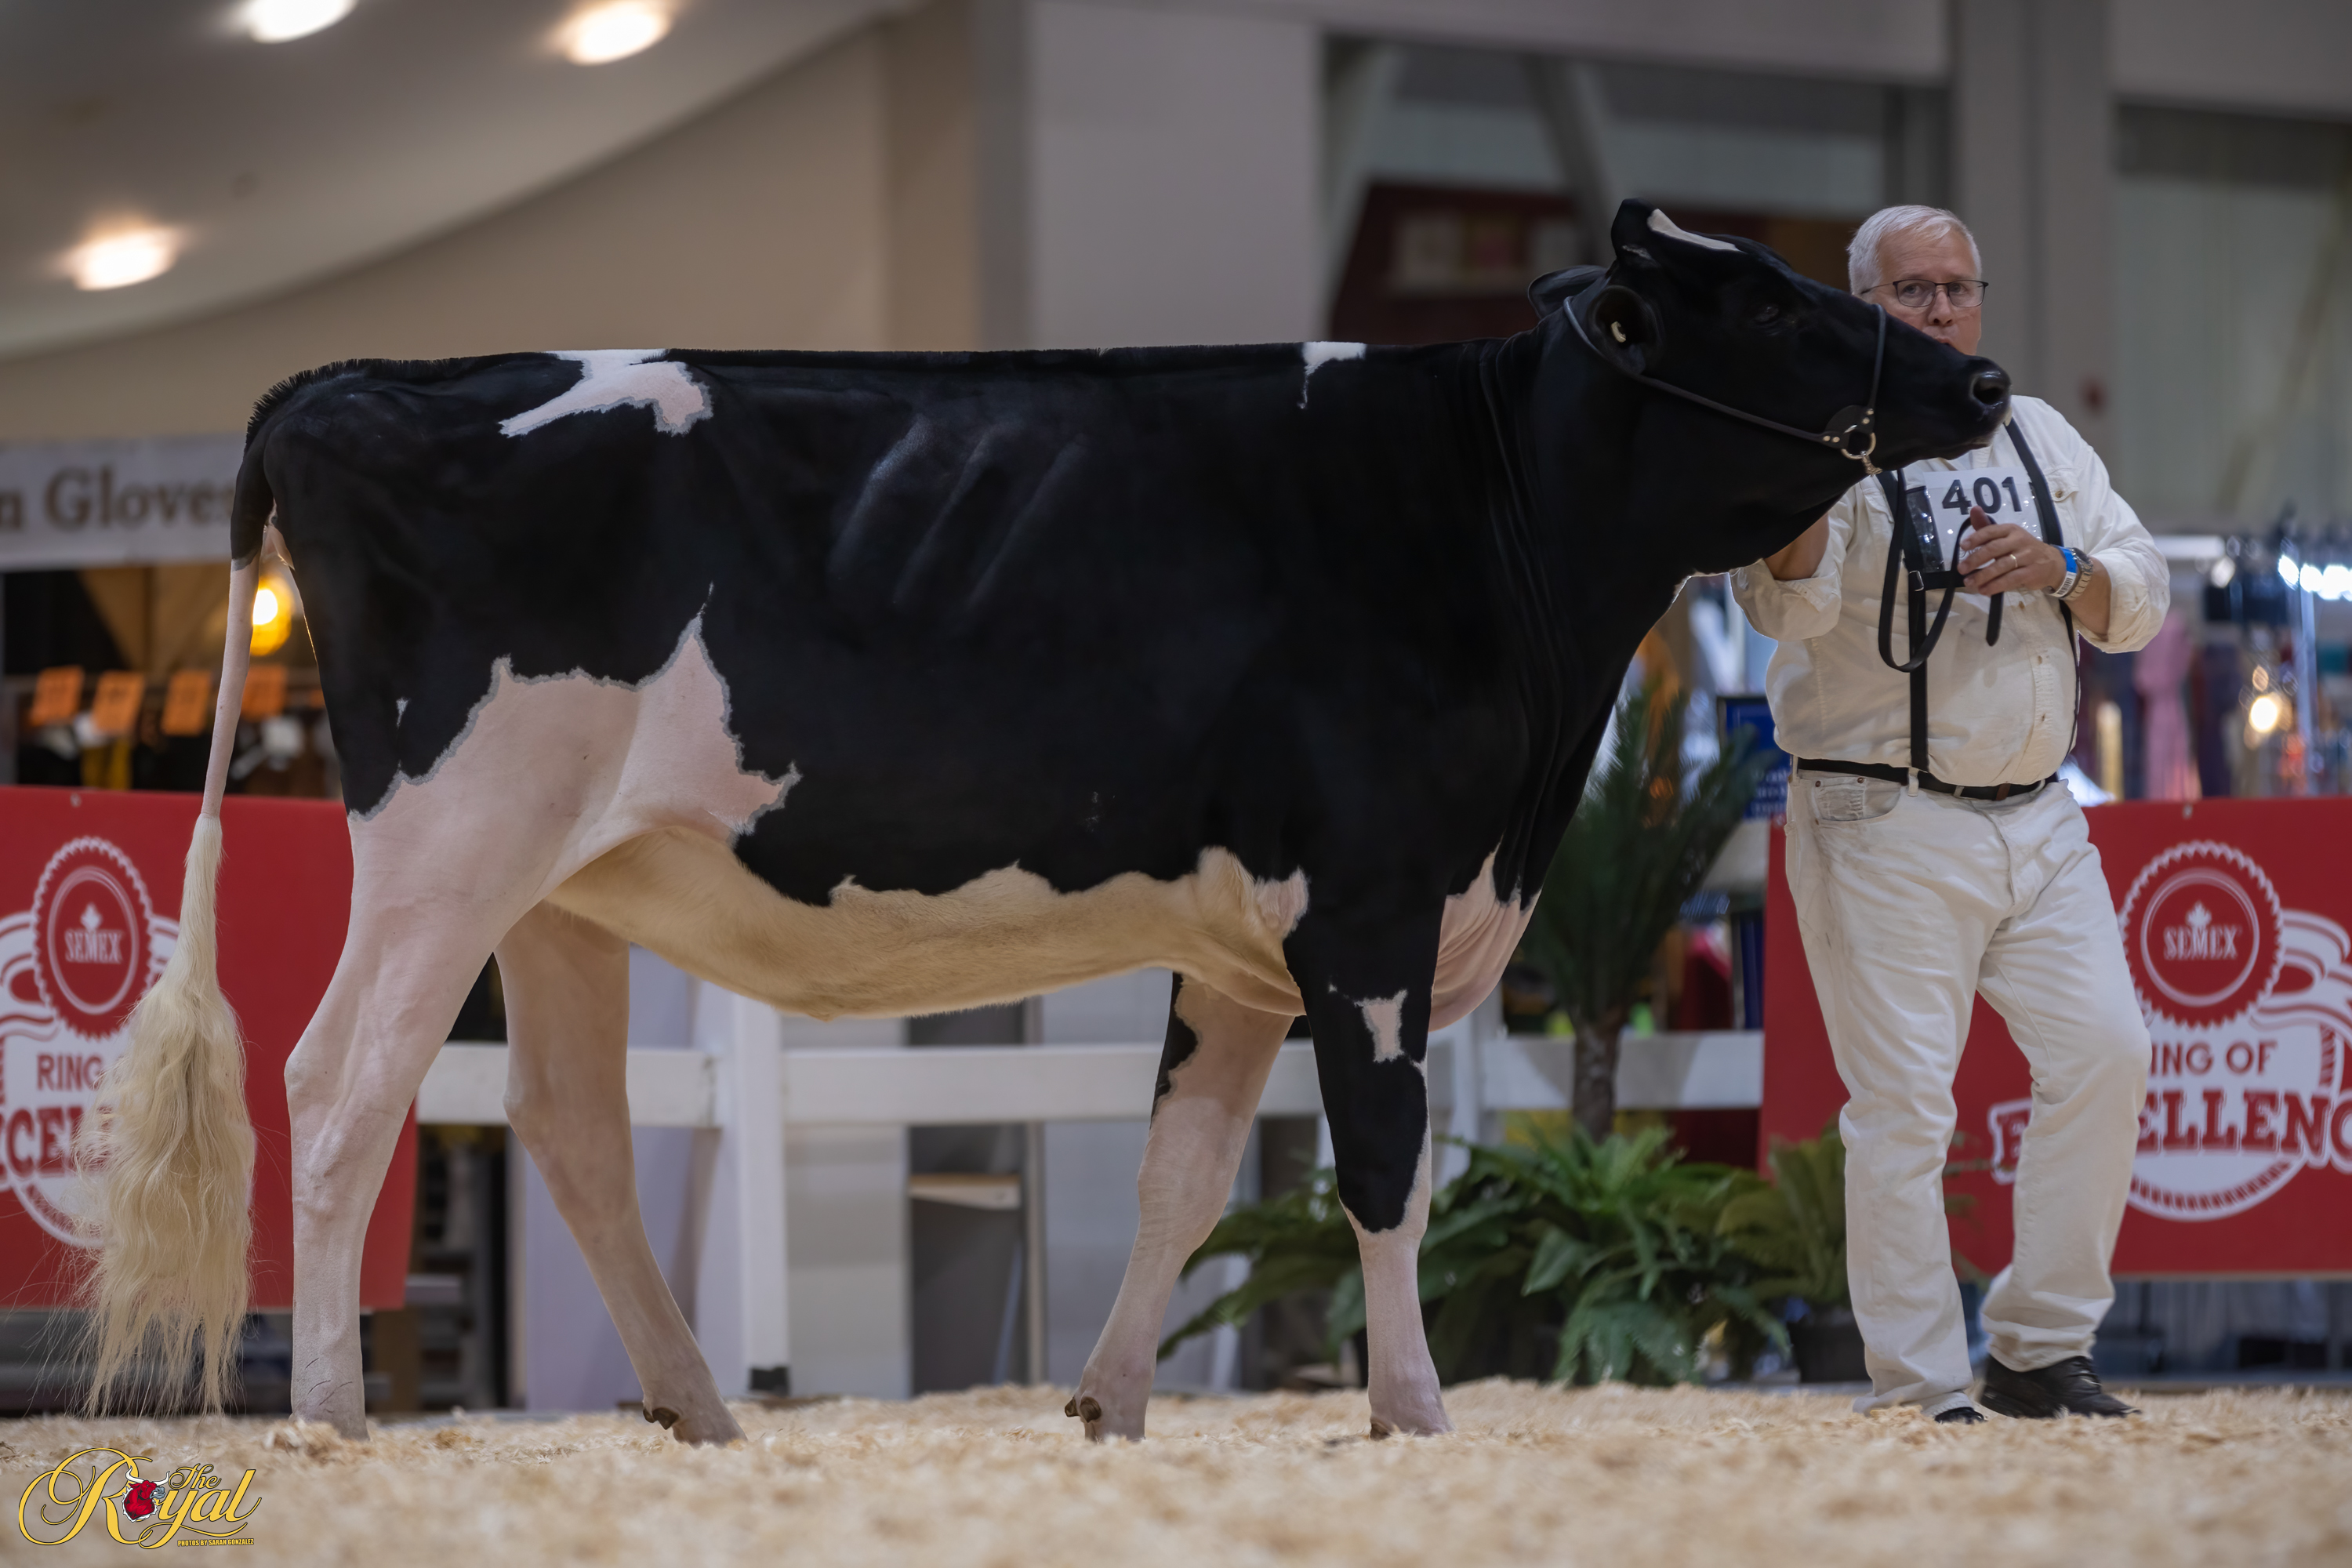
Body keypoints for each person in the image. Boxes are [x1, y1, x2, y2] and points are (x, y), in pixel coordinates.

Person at [1732, 205, 2168, 1423]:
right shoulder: (1824, 434)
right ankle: (1921, 1389)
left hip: (2042, 819)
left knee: (2109, 1054)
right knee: (1907, 1110)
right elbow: (1781, 612)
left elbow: (2142, 592)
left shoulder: (2039, 432)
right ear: (1861, 304)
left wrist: (2064, 571)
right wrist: (1806, 478)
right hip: (1880, 815)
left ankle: (2038, 1348)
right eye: (1911, 290)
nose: (1939, 309)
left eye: (1957, 288)